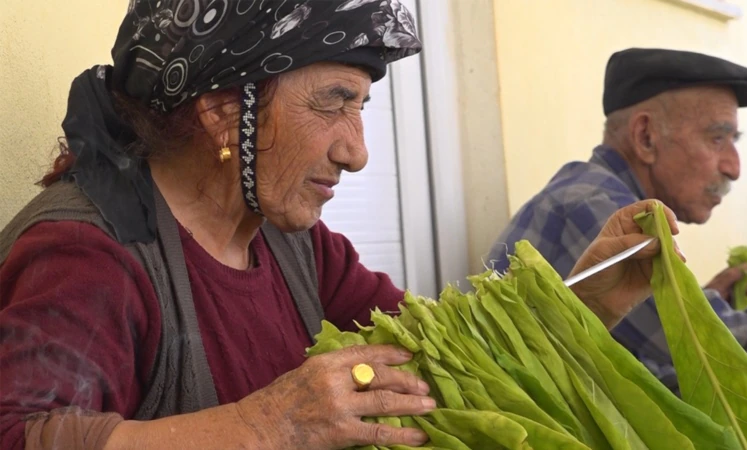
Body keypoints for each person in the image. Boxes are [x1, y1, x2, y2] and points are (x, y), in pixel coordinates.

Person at [0, 4, 681, 450]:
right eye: (333, 104)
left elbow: (427, 370)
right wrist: (264, 425)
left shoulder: (296, 245)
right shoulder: (86, 256)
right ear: (218, 111)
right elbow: (21, 435)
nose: (356, 151)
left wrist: (586, 299)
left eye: (361, 109)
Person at [487, 48, 747, 401]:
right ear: (646, 137)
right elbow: (712, 351)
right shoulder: (592, 207)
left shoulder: (594, 193)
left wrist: (701, 298)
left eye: (734, 141)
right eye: (716, 138)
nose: (733, 167)